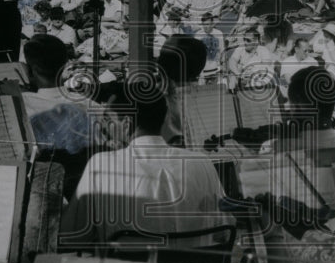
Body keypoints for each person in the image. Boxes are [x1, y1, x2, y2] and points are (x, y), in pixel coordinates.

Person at [58, 81, 233, 249]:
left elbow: (71, 236)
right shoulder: (203, 163)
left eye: (109, 122)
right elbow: (224, 230)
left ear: (126, 125)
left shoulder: (101, 164)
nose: (105, 130)